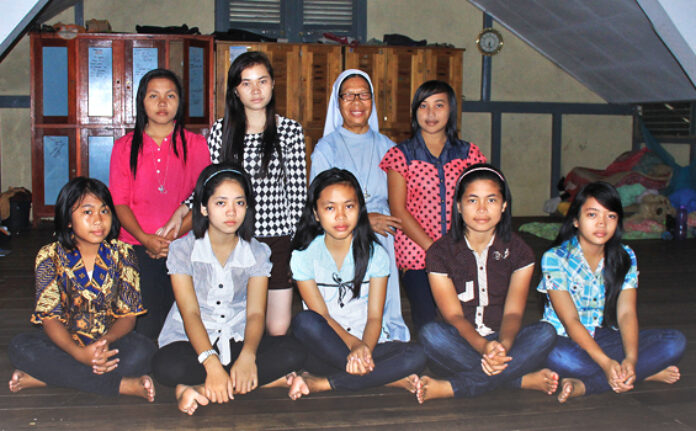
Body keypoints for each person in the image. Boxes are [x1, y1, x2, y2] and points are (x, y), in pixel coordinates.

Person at [162, 52, 306, 336]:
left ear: (273, 84)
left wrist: (294, 240)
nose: (255, 90)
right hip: (236, 235)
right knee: (237, 319)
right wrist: (185, 207)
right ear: (236, 91)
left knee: (277, 328)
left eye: (262, 81)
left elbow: (298, 191)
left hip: (277, 237)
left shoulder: (290, 131)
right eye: (246, 83)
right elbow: (210, 182)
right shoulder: (222, 130)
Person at [151, 164, 307, 415]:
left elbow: (256, 314)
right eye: (221, 203)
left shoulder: (257, 252)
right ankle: (239, 381)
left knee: (294, 352)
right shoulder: (183, 250)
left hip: (236, 339)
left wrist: (248, 356)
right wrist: (211, 363)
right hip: (191, 341)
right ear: (204, 207)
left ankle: (199, 388)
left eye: (240, 203)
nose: (231, 212)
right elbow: (190, 313)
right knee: (166, 366)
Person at [416, 164, 558, 403]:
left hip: (502, 342)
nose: (482, 209)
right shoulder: (439, 253)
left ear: (503, 206)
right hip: (459, 343)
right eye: (472, 200)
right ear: (459, 206)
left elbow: (513, 313)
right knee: (431, 335)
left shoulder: (520, 252)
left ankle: (455, 387)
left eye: (491, 200)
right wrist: (483, 347)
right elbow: (453, 316)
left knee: (545, 333)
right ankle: (519, 380)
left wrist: (503, 346)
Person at [7, 177, 156, 400]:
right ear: (68, 219)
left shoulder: (124, 254)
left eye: (104, 211)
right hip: (63, 343)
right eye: (87, 212)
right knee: (20, 347)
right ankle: (121, 386)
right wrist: (78, 353)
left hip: (108, 343)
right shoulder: (49, 256)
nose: (98, 220)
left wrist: (104, 342)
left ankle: (45, 378)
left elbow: (128, 317)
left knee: (144, 352)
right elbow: (49, 318)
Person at [538, 181, 686, 403]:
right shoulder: (555, 258)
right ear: (576, 220)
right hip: (566, 340)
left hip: (605, 336)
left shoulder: (625, 256)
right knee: (559, 356)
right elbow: (570, 321)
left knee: (675, 342)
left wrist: (631, 359)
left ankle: (591, 384)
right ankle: (641, 373)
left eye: (611, 216)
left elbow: (626, 314)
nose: (602, 223)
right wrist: (606, 363)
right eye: (592, 215)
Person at [290, 169, 426, 394]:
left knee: (417, 355)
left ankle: (323, 383)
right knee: (304, 322)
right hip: (326, 348)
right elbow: (322, 316)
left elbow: (375, 317)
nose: (340, 216)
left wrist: (364, 349)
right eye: (330, 208)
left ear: (360, 210)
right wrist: (353, 345)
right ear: (316, 213)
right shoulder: (303, 257)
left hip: (369, 344)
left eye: (349, 206)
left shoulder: (376, 255)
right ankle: (387, 378)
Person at [109, 68, 211, 340]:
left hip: (185, 244)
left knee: (184, 324)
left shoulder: (196, 144)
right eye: (154, 96)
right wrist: (146, 239)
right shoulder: (124, 146)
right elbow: (119, 203)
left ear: (180, 102)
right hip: (135, 247)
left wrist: (171, 237)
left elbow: (203, 200)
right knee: (145, 329)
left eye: (170, 96)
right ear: (142, 101)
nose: (162, 103)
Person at [310, 69, 409, 342]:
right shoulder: (326, 148)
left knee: (384, 307)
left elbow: (401, 201)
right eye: (349, 96)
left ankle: (386, 339)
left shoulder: (389, 147)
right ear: (338, 102)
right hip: (341, 235)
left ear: (372, 100)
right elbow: (319, 205)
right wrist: (364, 220)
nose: (356, 102)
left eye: (363, 95)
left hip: (384, 238)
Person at [380, 80, 487, 332]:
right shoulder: (401, 155)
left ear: (451, 110)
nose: (430, 113)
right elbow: (398, 211)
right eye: (423, 106)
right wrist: (436, 250)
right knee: (428, 323)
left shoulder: (469, 154)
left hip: (461, 250)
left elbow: (481, 200)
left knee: (465, 320)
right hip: (417, 252)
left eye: (439, 105)